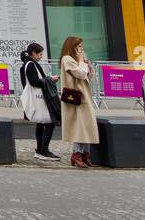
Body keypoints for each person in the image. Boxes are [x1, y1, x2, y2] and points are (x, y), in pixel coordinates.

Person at [60, 35, 99, 168]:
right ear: (73, 47)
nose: (82, 49)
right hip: (76, 98)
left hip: (84, 97)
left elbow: (88, 77)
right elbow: (80, 74)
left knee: (87, 126)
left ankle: (85, 154)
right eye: (79, 46)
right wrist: (82, 62)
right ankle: (77, 154)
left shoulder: (77, 60)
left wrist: (89, 66)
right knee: (80, 127)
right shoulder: (67, 59)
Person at [19, 43, 60, 161]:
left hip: (35, 98)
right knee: (49, 122)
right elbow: (34, 82)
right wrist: (49, 79)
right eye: (40, 54)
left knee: (41, 123)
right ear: (33, 53)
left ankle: (40, 150)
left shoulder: (26, 64)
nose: (41, 56)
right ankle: (44, 150)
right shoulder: (31, 64)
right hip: (39, 98)